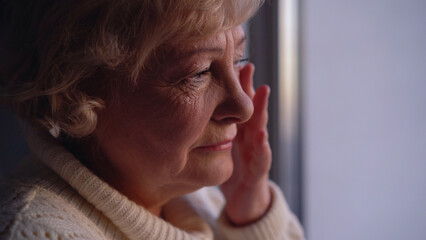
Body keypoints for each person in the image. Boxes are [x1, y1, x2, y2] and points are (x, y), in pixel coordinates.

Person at [0, 0, 304, 239]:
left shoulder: (197, 202)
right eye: (198, 73)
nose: (244, 107)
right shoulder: (36, 232)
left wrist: (251, 210)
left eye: (238, 60)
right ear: (77, 89)